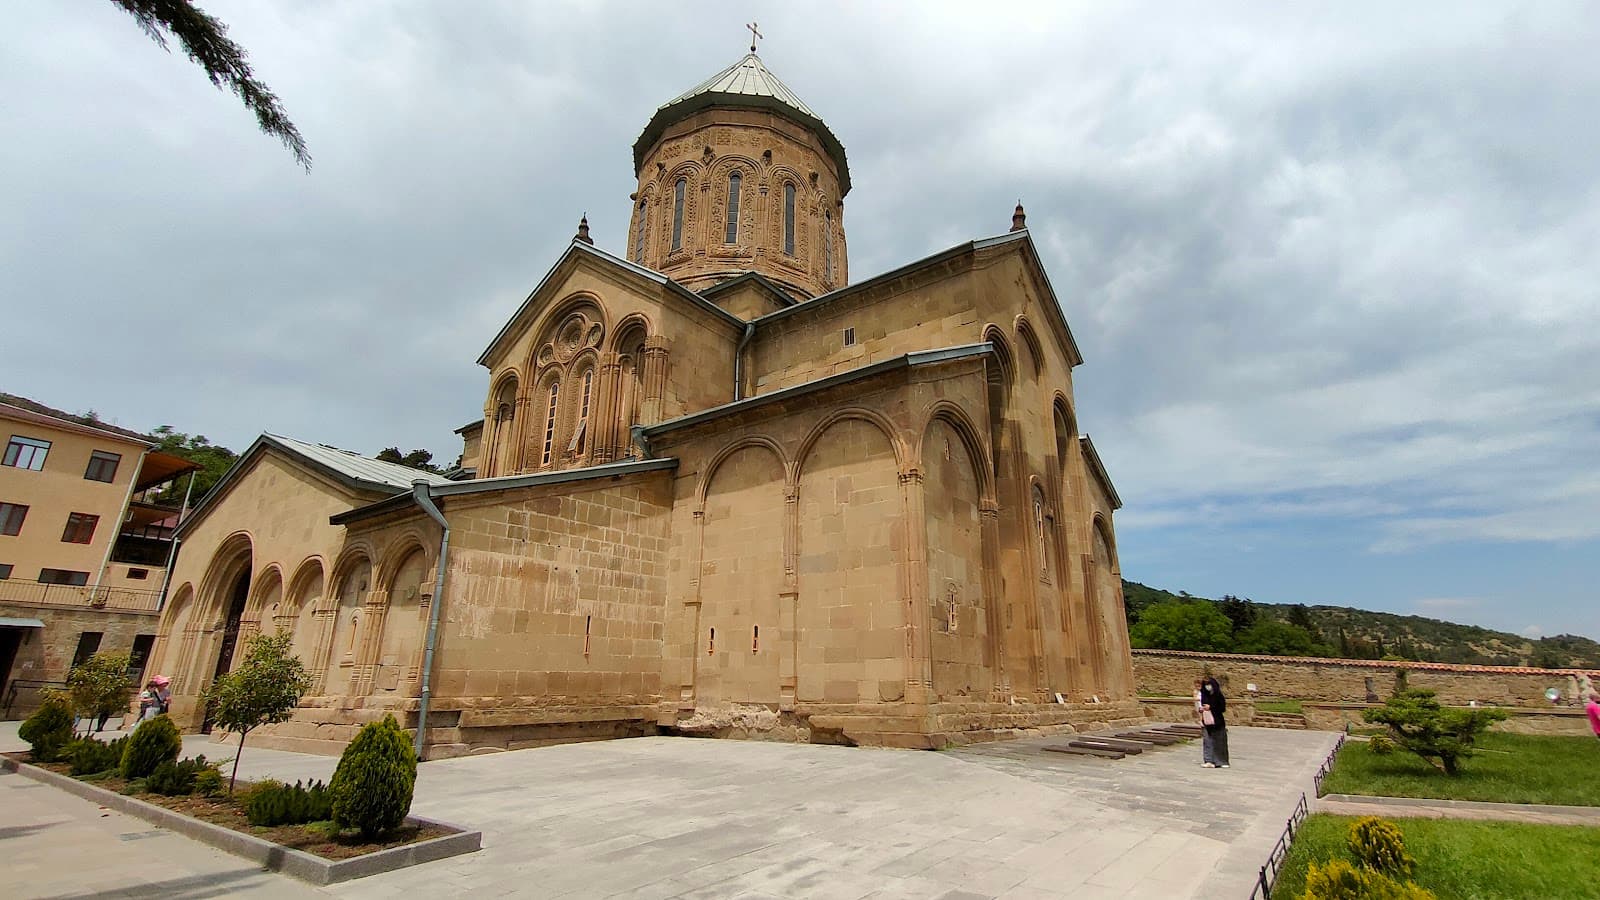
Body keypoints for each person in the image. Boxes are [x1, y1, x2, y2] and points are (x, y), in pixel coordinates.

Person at [1200, 676, 1230, 768]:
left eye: (1209, 684)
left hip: (1218, 721)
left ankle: (1221, 761)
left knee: (1219, 741)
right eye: (1205, 685)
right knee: (1207, 741)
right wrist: (1202, 709)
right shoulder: (1204, 695)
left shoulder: (1218, 695)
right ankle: (1209, 760)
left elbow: (1222, 708)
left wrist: (1211, 707)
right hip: (1207, 721)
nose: (1207, 686)